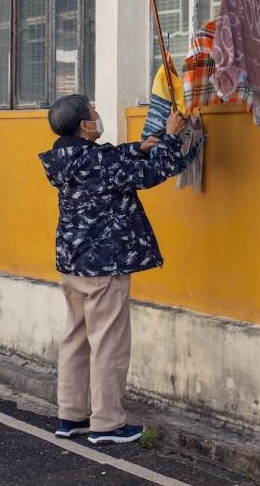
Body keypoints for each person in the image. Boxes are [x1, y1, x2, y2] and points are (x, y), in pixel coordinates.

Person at [38, 94, 190, 444]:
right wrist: (168, 137)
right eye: (94, 111)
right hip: (105, 264)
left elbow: (109, 158)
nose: (98, 114)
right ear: (84, 125)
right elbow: (153, 174)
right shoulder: (99, 162)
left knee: (75, 338)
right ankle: (107, 423)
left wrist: (140, 146)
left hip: (72, 263)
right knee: (108, 343)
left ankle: (70, 416)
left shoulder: (63, 157)